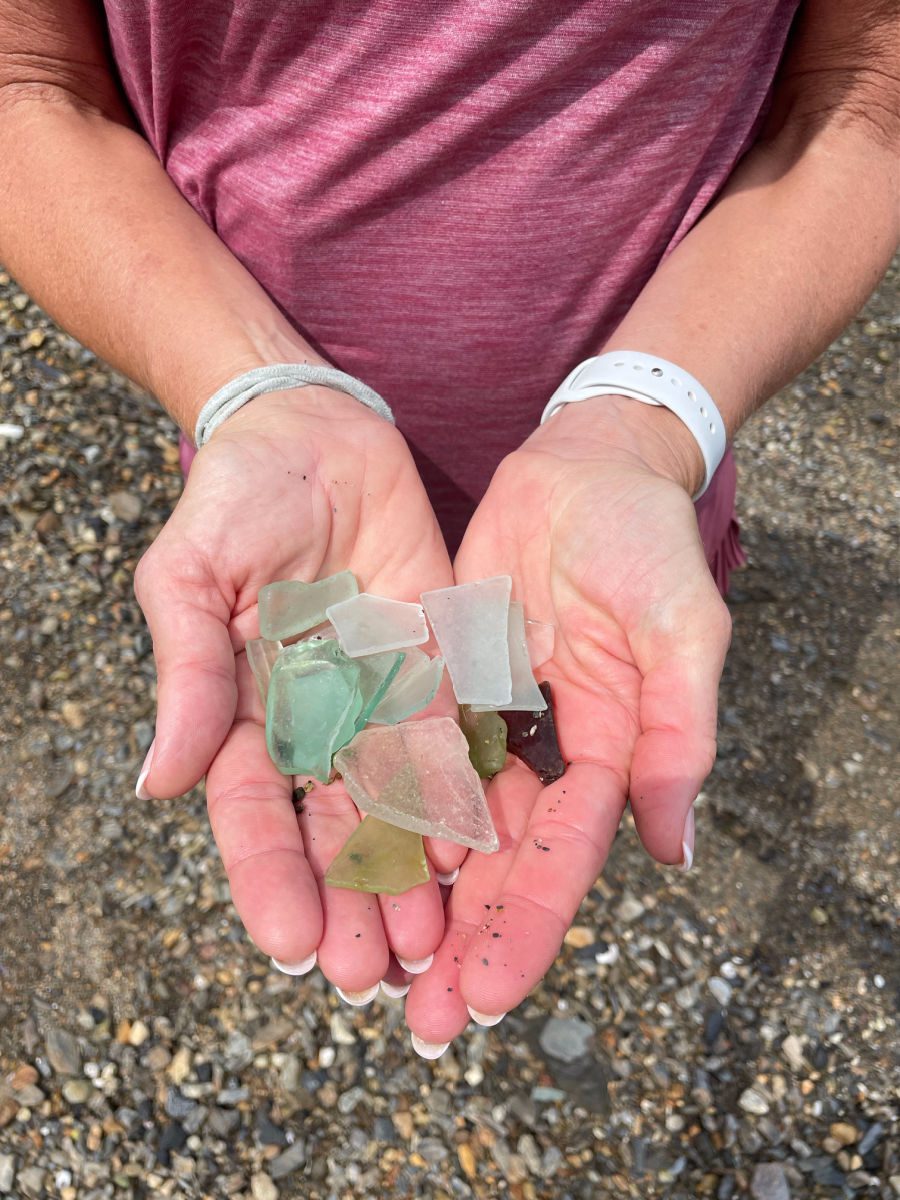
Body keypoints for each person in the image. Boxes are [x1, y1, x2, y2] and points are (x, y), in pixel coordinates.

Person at [0, 0, 896, 1058]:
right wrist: (249, 389)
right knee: (464, 770)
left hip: (609, 522)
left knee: (557, 741)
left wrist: (652, 418)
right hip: (292, 487)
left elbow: (867, 90)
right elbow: (30, 82)